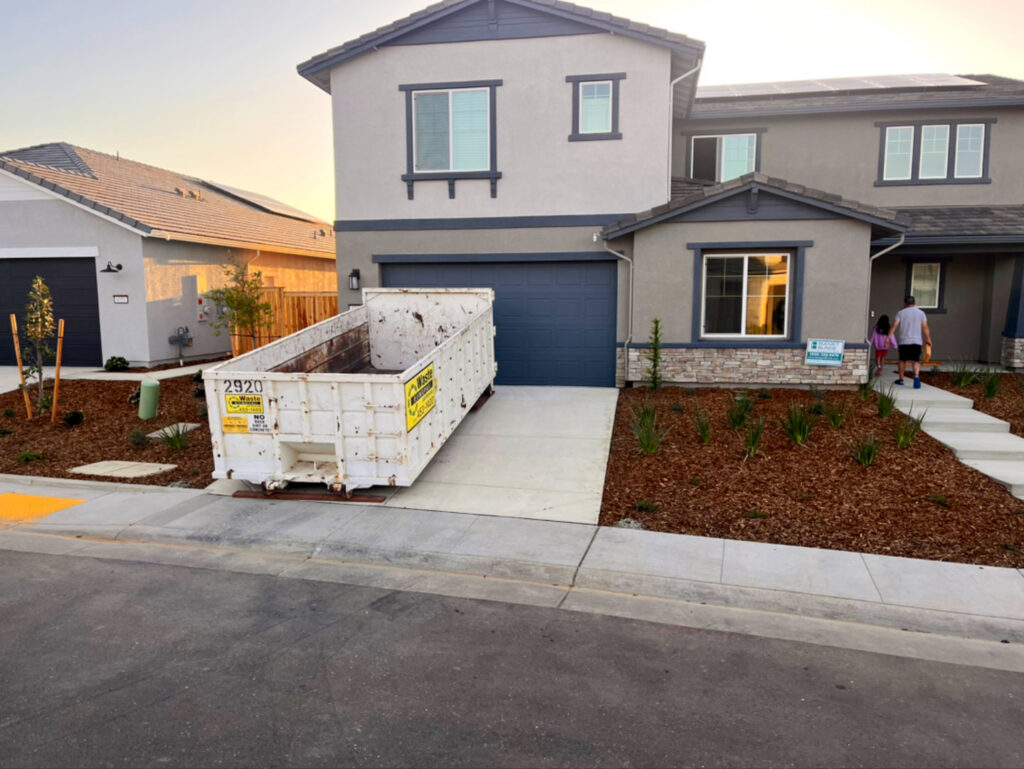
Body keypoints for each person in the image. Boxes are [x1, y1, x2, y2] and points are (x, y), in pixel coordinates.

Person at [888, 295, 931, 389]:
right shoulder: (921, 313)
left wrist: (888, 338)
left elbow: (894, 326)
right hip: (916, 341)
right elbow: (925, 327)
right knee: (916, 360)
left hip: (904, 341)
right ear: (914, 303)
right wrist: (928, 339)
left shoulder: (900, 313)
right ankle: (916, 377)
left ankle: (901, 380)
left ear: (905, 303)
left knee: (902, 360)